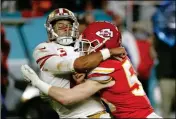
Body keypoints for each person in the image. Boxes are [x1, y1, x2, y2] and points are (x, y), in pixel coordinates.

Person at [21, 21, 162, 118]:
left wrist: (38, 83)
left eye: (89, 45)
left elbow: (67, 98)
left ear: (102, 46)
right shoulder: (118, 61)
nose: (84, 49)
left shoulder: (104, 71)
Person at [31, 8, 126, 118]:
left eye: (69, 25)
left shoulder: (83, 44)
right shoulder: (44, 48)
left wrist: (87, 71)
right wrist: (83, 66)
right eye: (60, 26)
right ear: (51, 29)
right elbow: (64, 65)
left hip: (93, 113)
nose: (65, 29)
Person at [152, 1, 176, 118]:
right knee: (165, 110)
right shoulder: (160, 35)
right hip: (165, 76)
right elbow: (152, 51)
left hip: (166, 75)